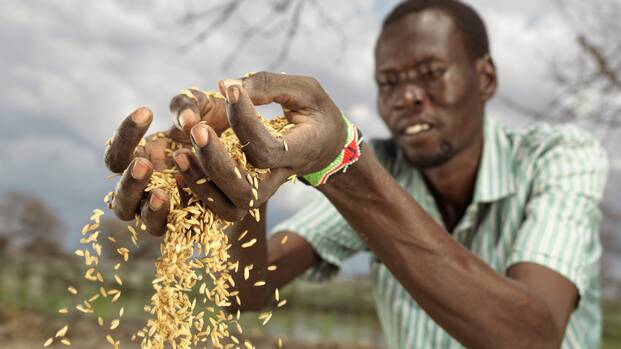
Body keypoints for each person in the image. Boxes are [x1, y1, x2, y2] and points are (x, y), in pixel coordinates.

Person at [103, 0, 609, 347]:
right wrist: (234, 187)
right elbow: (247, 289)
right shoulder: (384, 169)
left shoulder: (558, 157)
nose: (407, 95)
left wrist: (340, 161)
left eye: (430, 74)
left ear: (485, 78)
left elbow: (533, 335)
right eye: (390, 82)